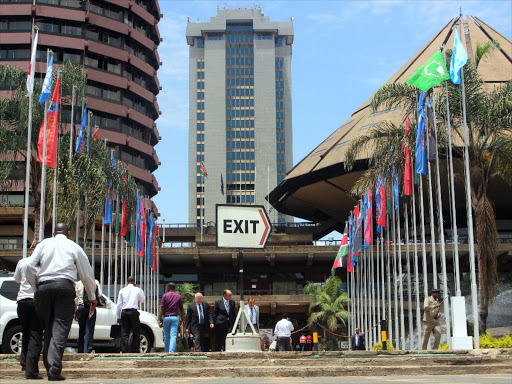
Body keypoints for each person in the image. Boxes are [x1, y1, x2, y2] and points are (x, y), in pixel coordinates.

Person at [25, 223, 97, 381]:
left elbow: (28, 265)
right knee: (60, 329)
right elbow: (86, 273)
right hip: (64, 287)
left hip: (44, 287)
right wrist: (92, 295)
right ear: (68, 233)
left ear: (53, 233)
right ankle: (54, 369)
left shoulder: (43, 244)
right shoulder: (73, 246)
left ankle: (49, 365)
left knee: (48, 328)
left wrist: (35, 288)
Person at [14, 256, 43, 380]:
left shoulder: (22, 262)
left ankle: (24, 362)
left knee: (25, 333)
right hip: (35, 300)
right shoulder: (42, 264)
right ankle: (32, 370)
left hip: (21, 301)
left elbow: (17, 279)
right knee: (35, 335)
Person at [117, 276, 145, 353]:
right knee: (136, 331)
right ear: (134, 282)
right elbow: (142, 300)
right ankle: (135, 350)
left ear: (127, 283)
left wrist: (118, 316)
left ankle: (125, 350)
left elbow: (119, 305)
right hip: (133, 312)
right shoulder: (137, 289)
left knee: (124, 332)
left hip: (124, 312)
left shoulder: (122, 290)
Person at [74, 279, 102, 353]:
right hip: (91, 307)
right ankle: (88, 349)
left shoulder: (78, 283)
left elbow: (75, 297)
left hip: (81, 307)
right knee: (89, 328)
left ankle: (80, 349)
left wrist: (75, 311)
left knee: (81, 328)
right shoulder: (95, 282)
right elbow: (100, 294)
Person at [158, 282, 184, 353]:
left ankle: (166, 351)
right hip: (175, 317)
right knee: (173, 335)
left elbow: (162, 309)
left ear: (169, 287)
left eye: (167, 287)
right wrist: (183, 319)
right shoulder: (178, 296)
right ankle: (171, 351)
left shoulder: (165, 296)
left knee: (166, 336)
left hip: (166, 317)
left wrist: (159, 319)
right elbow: (181, 309)